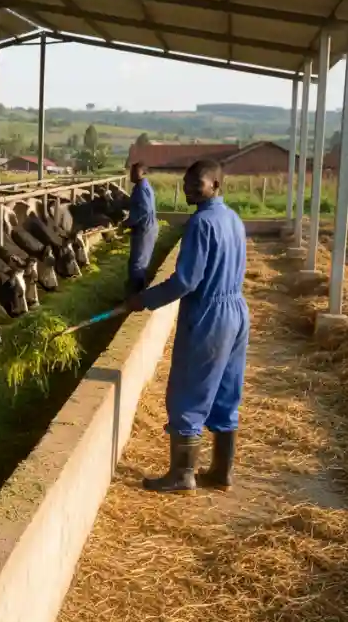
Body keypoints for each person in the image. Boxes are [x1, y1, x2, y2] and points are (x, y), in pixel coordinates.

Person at [125, 159, 248, 494]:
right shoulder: (233, 219)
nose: (190, 189)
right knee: (225, 390)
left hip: (210, 314)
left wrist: (144, 299)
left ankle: (182, 476)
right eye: (187, 182)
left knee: (188, 391)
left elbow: (186, 281)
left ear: (216, 186)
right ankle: (222, 472)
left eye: (199, 184)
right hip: (236, 311)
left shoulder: (202, 223)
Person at [124, 161, 157, 295]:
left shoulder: (142, 188)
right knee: (138, 261)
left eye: (134, 172)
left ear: (143, 173)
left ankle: (137, 295)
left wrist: (129, 222)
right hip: (145, 228)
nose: (131, 175)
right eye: (131, 172)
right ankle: (137, 292)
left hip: (144, 229)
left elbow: (144, 210)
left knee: (138, 264)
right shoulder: (139, 187)